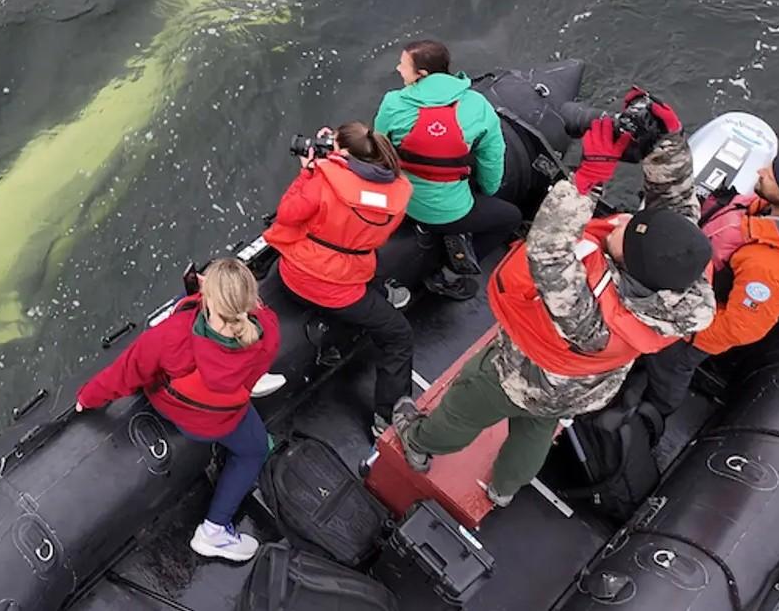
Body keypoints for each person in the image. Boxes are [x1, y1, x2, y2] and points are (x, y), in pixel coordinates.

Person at [394, 99, 717, 507]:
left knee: (461, 411)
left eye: (627, 230)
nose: (619, 221)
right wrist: (666, 143)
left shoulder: (592, 311)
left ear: (626, 262)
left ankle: (420, 442)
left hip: (520, 373)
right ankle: (503, 489)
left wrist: (587, 181)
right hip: (584, 387)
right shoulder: (684, 286)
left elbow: (548, 252)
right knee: (536, 429)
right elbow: (677, 208)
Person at [75, 257, 280, 562]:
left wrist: (86, 398)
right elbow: (244, 323)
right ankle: (215, 527)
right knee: (255, 448)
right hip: (226, 414)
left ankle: (214, 533)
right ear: (251, 300)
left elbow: (125, 373)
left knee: (253, 447)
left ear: (207, 298)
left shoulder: (170, 336)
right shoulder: (268, 332)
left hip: (178, 412)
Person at [639, 148, 779, 415]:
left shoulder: (768, 268)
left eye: (771, 176)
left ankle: (657, 411)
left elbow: (742, 327)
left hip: (694, 327)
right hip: (693, 285)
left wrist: (686, 332)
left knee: (670, 366)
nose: (760, 172)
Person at [262, 121, 414, 434]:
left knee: (399, 334)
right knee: (370, 263)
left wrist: (308, 171)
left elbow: (287, 213)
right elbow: (372, 234)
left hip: (301, 277)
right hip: (349, 271)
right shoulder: (398, 196)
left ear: (344, 154)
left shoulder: (322, 181)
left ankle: (387, 418)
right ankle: (388, 413)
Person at [373, 39, 519, 299]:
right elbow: (492, 158)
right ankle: (449, 274)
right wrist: (487, 192)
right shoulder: (477, 105)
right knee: (509, 217)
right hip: (449, 212)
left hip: (402, 201)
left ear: (422, 75)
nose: (397, 68)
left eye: (403, 65)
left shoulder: (392, 103)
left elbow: (379, 151)